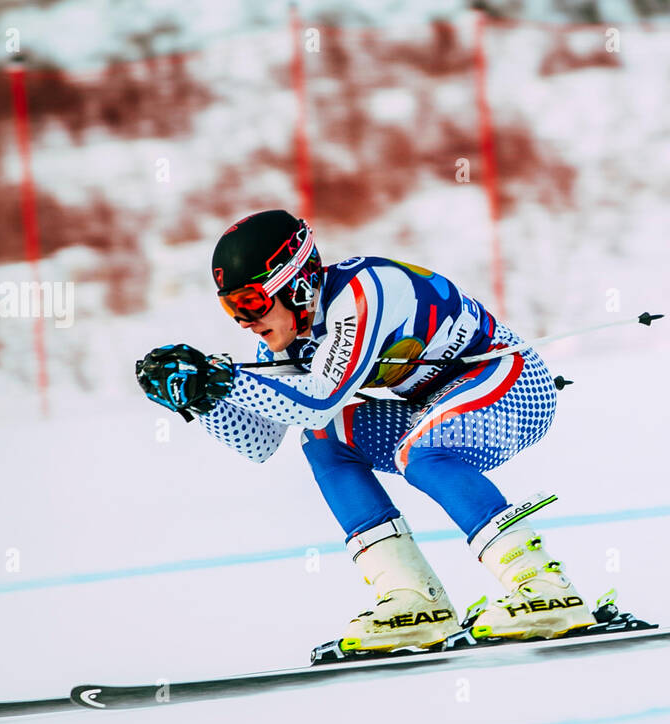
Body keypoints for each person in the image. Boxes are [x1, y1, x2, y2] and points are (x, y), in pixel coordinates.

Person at [135, 209, 598, 658]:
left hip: (514, 382)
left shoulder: (365, 291)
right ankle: (414, 600)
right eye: (230, 306)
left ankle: (543, 587)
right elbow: (260, 442)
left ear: (296, 283)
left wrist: (224, 379)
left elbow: (318, 398)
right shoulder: (288, 331)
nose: (243, 319)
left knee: (424, 454)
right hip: (439, 401)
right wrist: (199, 398)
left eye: (251, 302)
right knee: (323, 442)